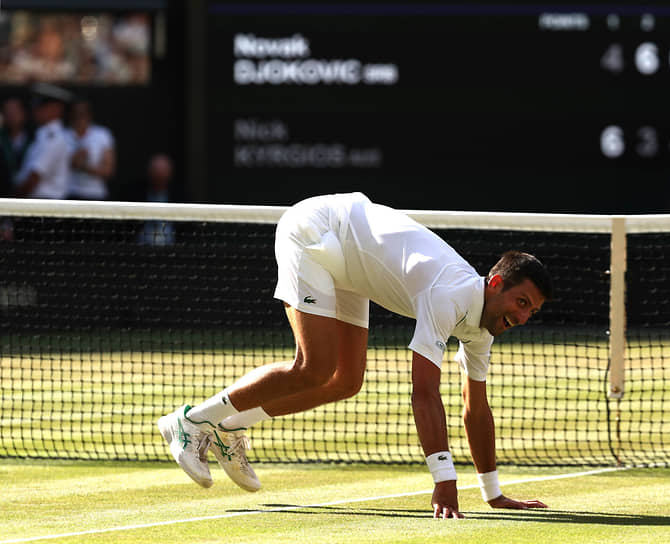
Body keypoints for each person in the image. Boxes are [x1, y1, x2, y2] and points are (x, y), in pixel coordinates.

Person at [157, 192, 553, 518]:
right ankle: (191, 420)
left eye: (530, 311)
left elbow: (476, 408)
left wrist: (493, 492)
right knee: (314, 367)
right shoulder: (448, 294)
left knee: (346, 381)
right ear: (496, 284)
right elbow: (424, 393)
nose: (521, 317)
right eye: (520, 302)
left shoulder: (485, 326)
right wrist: (444, 479)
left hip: (351, 261)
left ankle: (228, 427)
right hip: (318, 230)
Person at [13, 82, 72, 199]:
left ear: (57, 109)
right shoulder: (43, 135)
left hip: (44, 204)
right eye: (36, 106)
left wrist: (12, 201)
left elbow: (34, 177)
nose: (36, 110)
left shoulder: (53, 138)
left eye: (42, 106)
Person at [65, 98, 116, 200]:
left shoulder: (103, 135)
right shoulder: (62, 135)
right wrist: (73, 160)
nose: (79, 117)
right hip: (68, 194)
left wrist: (83, 166)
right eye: (75, 113)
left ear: (90, 114)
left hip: (96, 195)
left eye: (83, 113)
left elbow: (108, 170)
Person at [136, 153, 175, 246]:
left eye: (162, 175)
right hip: (143, 242)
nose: (159, 177)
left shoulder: (179, 195)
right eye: (156, 173)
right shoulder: (137, 193)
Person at [0, 96, 33, 194]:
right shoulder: (2, 138)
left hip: (28, 195)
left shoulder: (34, 138)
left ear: (24, 113)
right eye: (7, 111)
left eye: (15, 111)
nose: (11, 115)